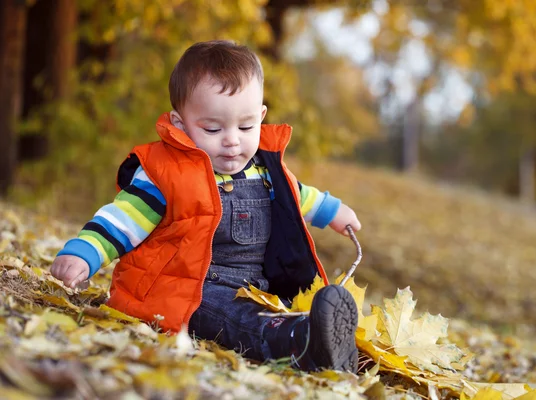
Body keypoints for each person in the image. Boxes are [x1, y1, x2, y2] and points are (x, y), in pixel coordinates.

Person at [50, 40, 362, 372]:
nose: (232, 140)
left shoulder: (263, 169)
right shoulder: (166, 173)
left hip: (256, 287)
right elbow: (122, 219)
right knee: (235, 317)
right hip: (191, 290)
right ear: (181, 123)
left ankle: (324, 340)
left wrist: (332, 211)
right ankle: (299, 344)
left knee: (279, 308)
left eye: (245, 126)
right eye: (213, 128)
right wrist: (85, 252)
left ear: (261, 116)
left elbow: (297, 196)